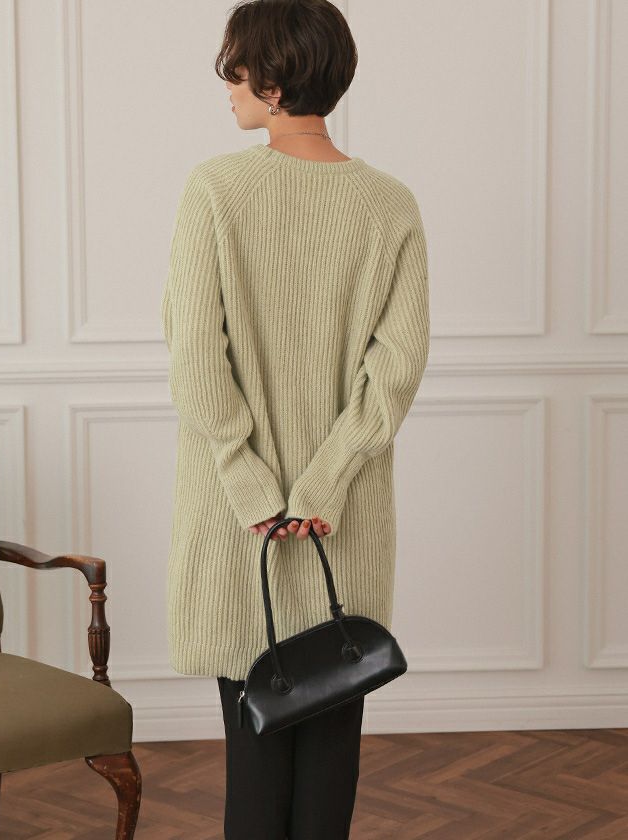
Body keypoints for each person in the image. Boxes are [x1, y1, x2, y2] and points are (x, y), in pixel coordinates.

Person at [161, 0, 430, 836]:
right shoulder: (390, 204)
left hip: (241, 525)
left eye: (238, 71)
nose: (229, 87)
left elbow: (195, 356)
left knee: (254, 743)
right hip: (339, 522)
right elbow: (395, 373)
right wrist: (322, 485)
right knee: (331, 745)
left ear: (274, 85)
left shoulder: (215, 189)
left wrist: (252, 485)